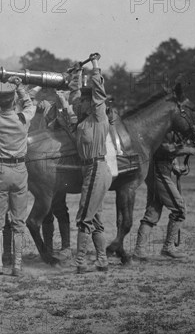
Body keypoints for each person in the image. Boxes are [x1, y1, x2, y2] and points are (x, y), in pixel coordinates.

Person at [68, 53, 112, 273]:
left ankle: (80, 262)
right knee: (94, 217)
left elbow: (98, 93)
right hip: (91, 169)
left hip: (97, 167)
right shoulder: (83, 120)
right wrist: (76, 73)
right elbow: (74, 96)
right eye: (83, 100)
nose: (83, 102)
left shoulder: (98, 117)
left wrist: (95, 66)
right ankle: (102, 260)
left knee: (83, 216)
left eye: (86, 100)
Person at [0, 75, 35, 277]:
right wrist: (19, 87)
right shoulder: (23, 119)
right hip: (20, 171)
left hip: (0, 170)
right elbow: (29, 104)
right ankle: (17, 266)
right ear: (14, 101)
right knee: (18, 221)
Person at [133, 132, 195, 261]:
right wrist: (188, 149)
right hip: (158, 173)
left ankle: (139, 251)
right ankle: (168, 247)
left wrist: (175, 167)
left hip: (159, 172)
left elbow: (170, 151)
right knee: (179, 209)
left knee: (152, 213)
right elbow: (166, 148)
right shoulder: (163, 127)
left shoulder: (170, 129)